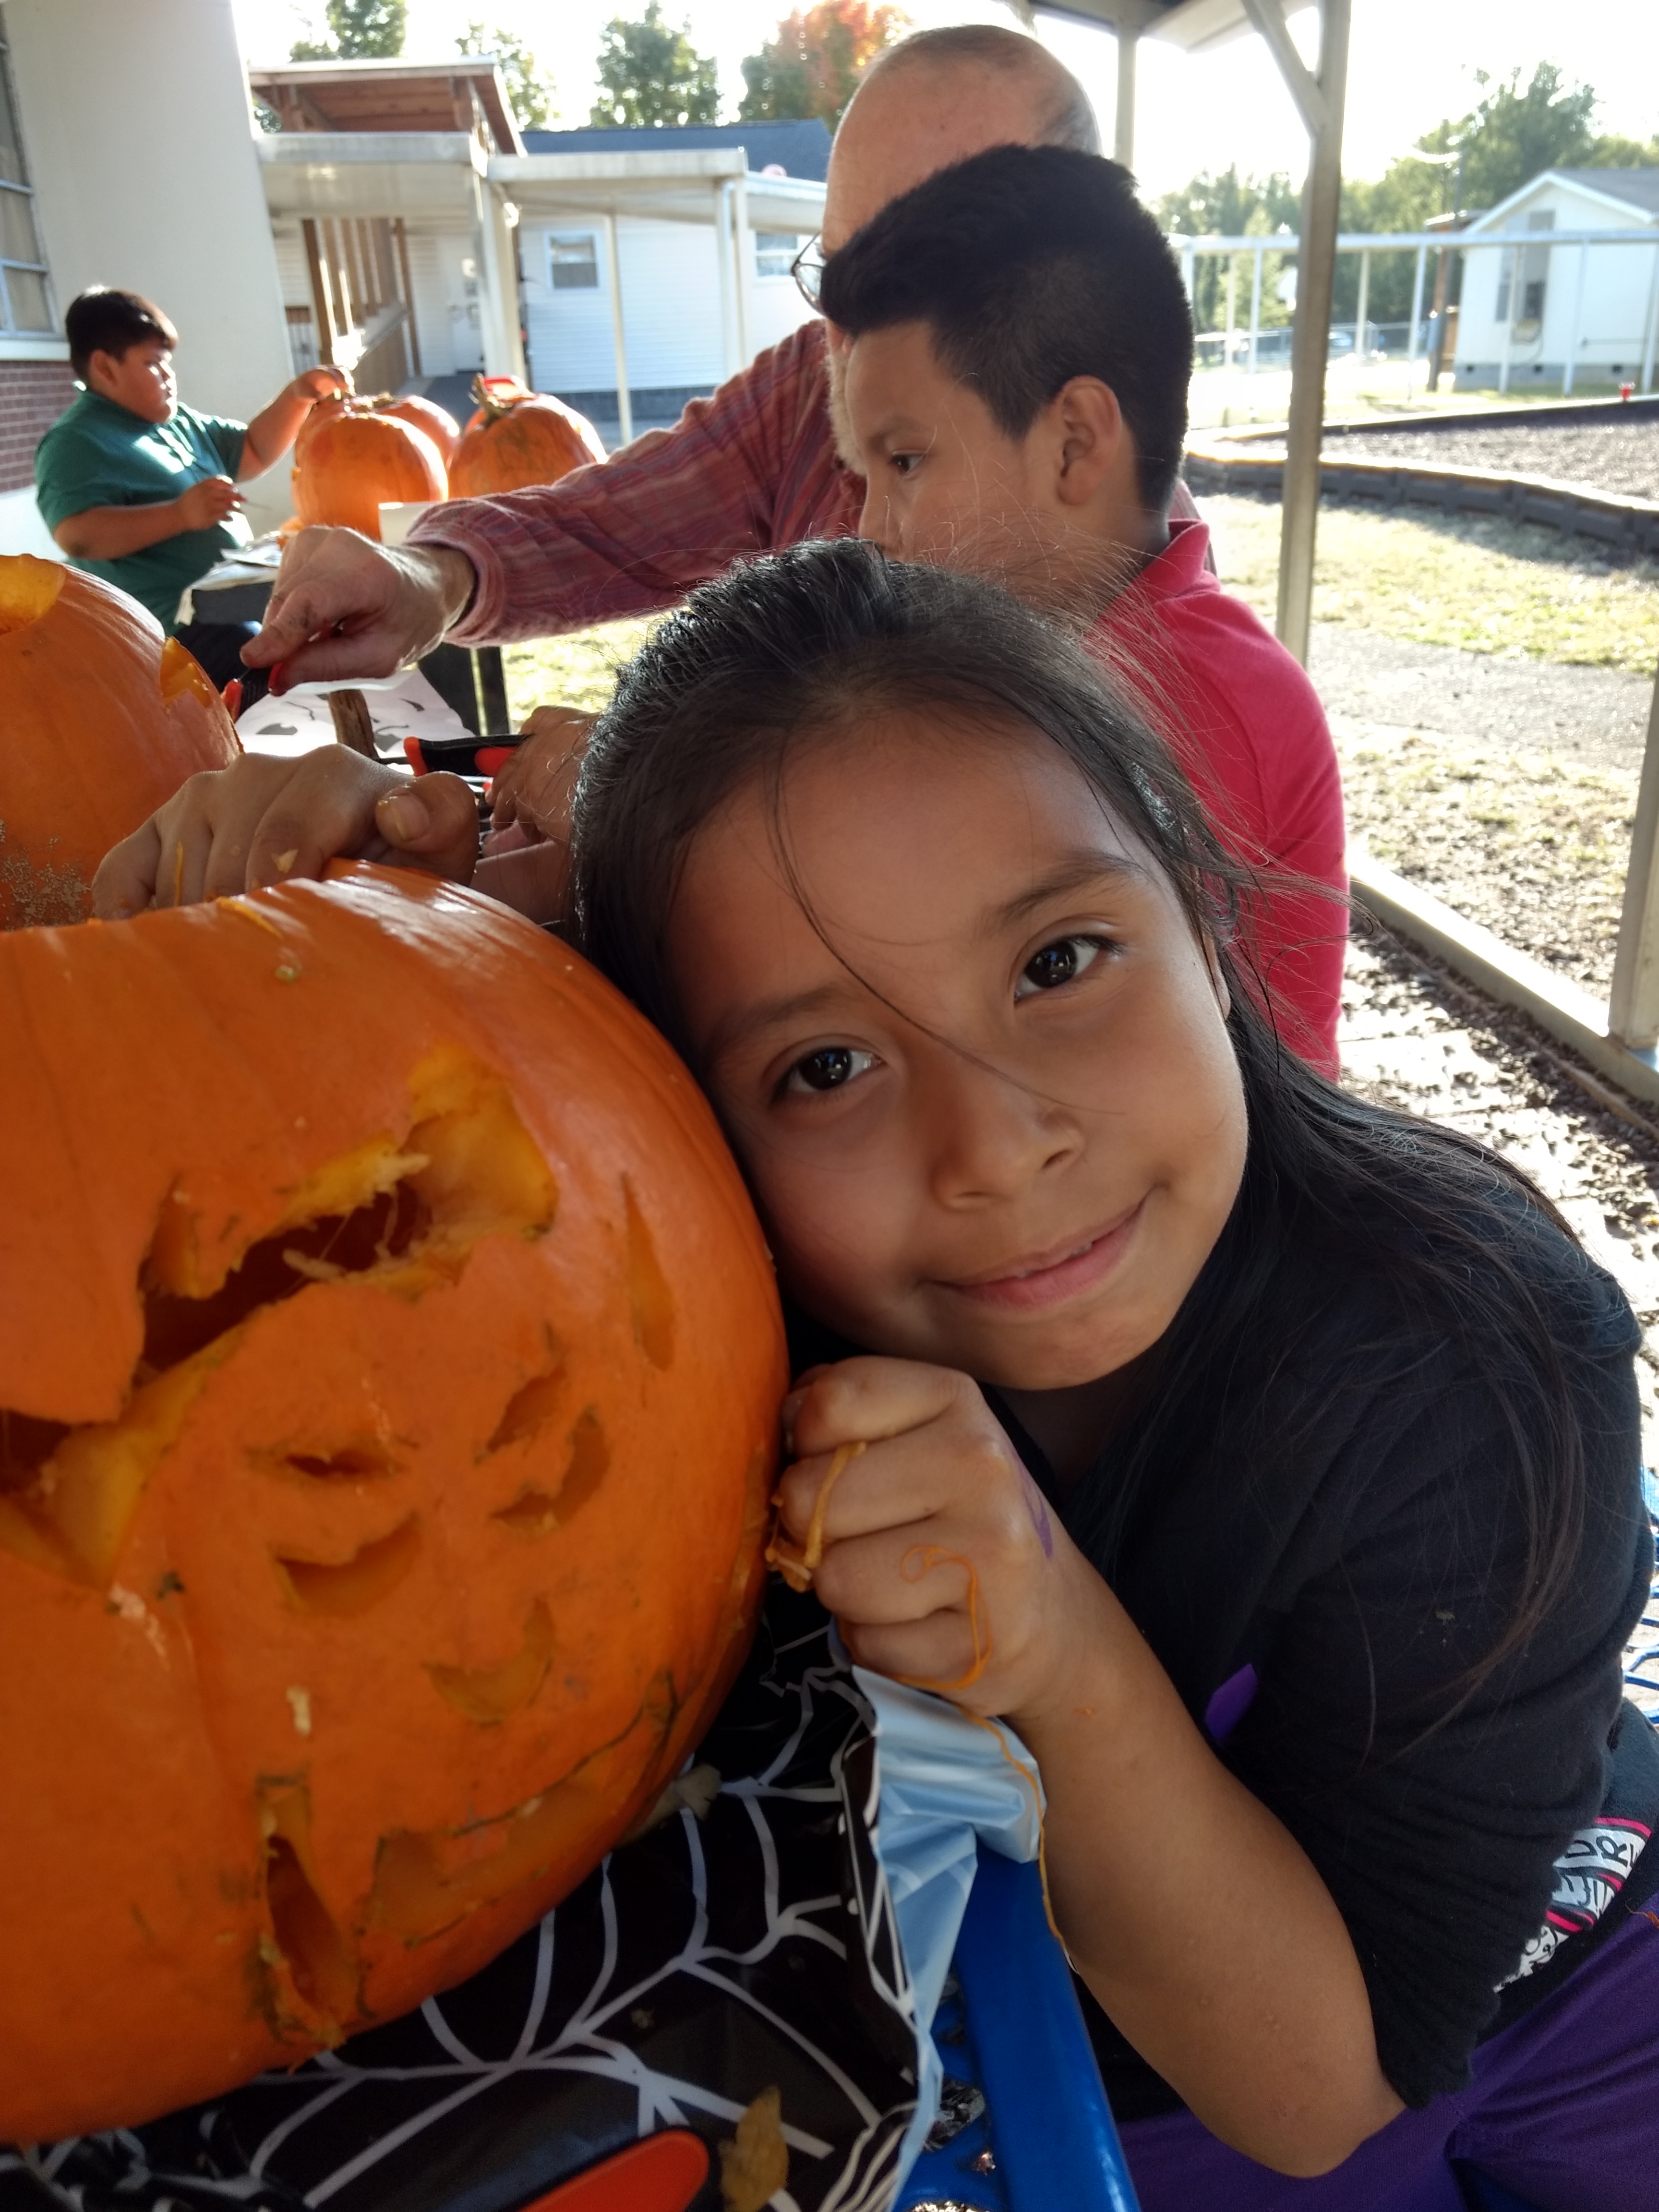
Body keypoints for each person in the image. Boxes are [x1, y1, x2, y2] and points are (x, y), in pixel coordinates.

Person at [566, 540, 1658, 2209]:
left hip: (1589, 1989)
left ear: (1206, 924)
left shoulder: (1483, 1358)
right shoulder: (718, 1356)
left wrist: (1054, 1639)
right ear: (685, 1126)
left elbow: (1325, 2084)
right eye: (826, 1064)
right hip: (1159, 2065)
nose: (998, 1147)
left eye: (1057, 961)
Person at [819, 143, 1345, 1069]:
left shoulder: (1182, 700)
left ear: (1072, 442)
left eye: (904, 463)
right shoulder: (1048, 664)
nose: (873, 529)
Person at [35, 287, 346, 689]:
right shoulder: (75, 442)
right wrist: (179, 515)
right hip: (168, 638)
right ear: (105, 367)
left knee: (322, 638)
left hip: (231, 609)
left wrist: (298, 397)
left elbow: (250, 451)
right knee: (284, 673)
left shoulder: (175, 420)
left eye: (169, 364)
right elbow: (78, 535)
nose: (168, 376)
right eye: (152, 364)